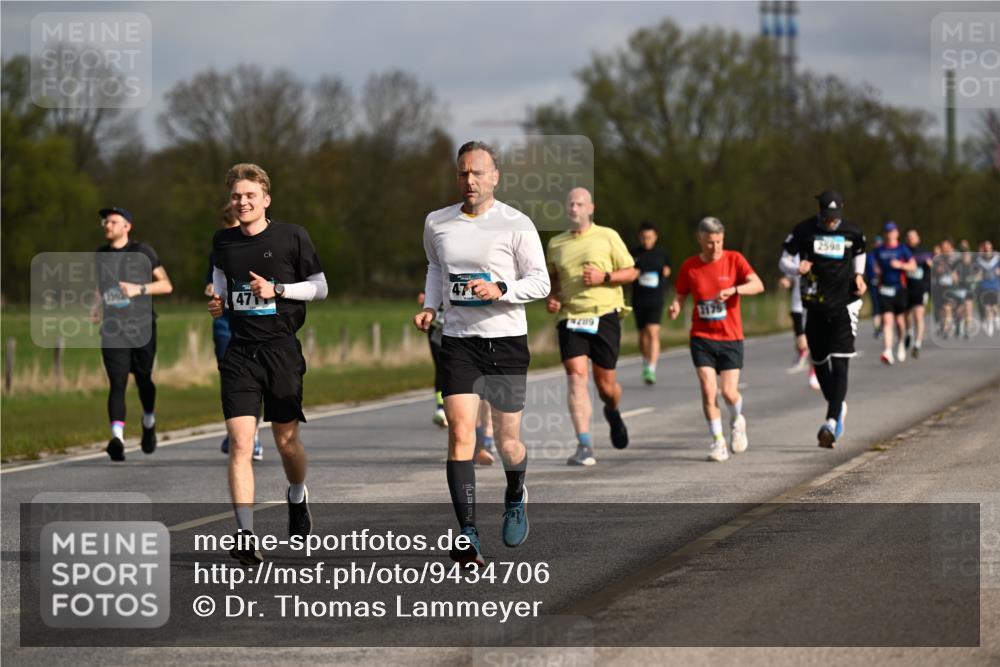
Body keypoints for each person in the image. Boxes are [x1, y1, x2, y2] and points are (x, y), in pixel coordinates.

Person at [414, 141, 549, 566]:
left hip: (506, 342)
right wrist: (431, 307)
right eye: (462, 173)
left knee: (509, 443)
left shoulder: (516, 223)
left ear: (495, 177)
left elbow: (541, 282)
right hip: (458, 343)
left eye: (477, 173)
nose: (469, 181)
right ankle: (468, 534)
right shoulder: (438, 222)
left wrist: (501, 289)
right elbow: (436, 268)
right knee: (460, 435)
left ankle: (514, 495)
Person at [208, 163, 328, 566]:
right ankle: (244, 533)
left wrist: (277, 289)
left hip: (281, 350)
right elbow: (220, 285)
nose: (242, 202)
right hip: (240, 353)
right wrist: (217, 302)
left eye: (250, 196)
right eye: (237, 197)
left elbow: (321, 288)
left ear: (266, 199)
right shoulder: (222, 242)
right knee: (241, 444)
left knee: (285, 442)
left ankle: (297, 494)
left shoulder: (292, 236)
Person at [546, 187, 638, 466]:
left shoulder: (607, 236)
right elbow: (553, 280)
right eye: (570, 204)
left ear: (590, 208)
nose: (574, 208)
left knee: (605, 386)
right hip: (571, 317)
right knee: (575, 375)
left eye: (579, 204)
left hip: (604, 314)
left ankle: (612, 410)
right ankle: (584, 444)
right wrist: (552, 298)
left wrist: (604, 276)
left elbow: (632, 271)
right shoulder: (556, 244)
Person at [669, 217, 763, 462]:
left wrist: (735, 290)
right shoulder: (690, 266)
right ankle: (718, 442)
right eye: (710, 243)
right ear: (700, 240)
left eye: (719, 242)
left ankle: (737, 420)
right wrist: (675, 307)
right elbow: (680, 294)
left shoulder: (734, 260)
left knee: (729, 393)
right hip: (702, 337)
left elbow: (758, 285)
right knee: (709, 390)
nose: (715, 248)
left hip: (731, 337)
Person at [782, 190, 866, 448]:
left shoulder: (853, 232)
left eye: (835, 217)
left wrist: (860, 276)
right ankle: (838, 405)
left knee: (840, 363)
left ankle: (831, 421)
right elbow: (783, 260)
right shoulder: (803, 230)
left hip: (844, 304)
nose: (831, 222)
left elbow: (861, 252)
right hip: (815, 304)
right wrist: (797, 268)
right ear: (819, 211)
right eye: (827, 217)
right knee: (819, 361)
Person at [92, 206, 173, 461]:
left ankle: (148, 422)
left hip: (142, 327)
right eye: (105, 222)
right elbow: (100, 286)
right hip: (113, 328)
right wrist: (95, 306)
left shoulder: (142, 252)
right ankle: (117, 438)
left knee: (143, 379)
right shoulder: (100, 255)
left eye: (114, 222)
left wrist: (138, 289)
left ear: (127, 226)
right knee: (117, 383)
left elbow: (166, 284)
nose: (108, 225)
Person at [206, 204, 262, 461]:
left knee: (255, 378)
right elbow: (212, 282)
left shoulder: (259, 248)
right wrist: (213, 293)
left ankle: (253, 435)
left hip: (252, 322)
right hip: (225, 324)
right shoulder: (218, 250)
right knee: (229, 377)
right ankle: (236, 430)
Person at [630, 221, 671, 385]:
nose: (647, 240)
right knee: (642, 336)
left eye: (650, 237)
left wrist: (665, 273)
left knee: (652, 332)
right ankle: (646, 361)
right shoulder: (633, 254)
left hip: (656, 298)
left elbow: (668, 270)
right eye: (644, 237)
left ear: (655, 237)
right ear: (640, 237)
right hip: (639, 299)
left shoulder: (661, 254)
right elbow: (627, 272)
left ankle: (652, 368)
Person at [872, 222, 916, 365]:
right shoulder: (880, 250)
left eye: (892, 231)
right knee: (887, 320)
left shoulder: (902, 249)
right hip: (885, 289)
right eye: (887, 232)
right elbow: (875, 264)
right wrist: (877, 272)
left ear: (897, 233)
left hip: (899, 289)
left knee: (899, 322)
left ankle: (902, 342)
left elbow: (913, 266)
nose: (890, 234)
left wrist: (900, 265)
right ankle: (887, 351)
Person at [778, 250, 820, 389]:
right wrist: (786, 282)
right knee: (802, 343)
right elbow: (790, 278)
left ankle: (813, 374)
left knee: (813, 342)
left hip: (816, 306)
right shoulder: (795, 256)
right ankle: (802, 351)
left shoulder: (823, 253)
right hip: (798, 306)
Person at [417, 291, 449, 429]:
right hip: (437, 328)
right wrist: (426, 298)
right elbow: (431, 285)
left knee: (455, 368)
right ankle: (441, 408)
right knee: (441, 367)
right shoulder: (436, 270)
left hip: (458, 327)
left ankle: (455, 407)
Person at [904, 229, 934, 357]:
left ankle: (917, 345)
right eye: (909, 237)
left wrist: (930, 264)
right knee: (906, 315)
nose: (911, 239)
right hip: (905, 288)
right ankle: (909, 332)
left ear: (918, 239)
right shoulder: (903, 251)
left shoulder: (925, 252)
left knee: (918, 316)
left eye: (913, 237)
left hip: (920, 287)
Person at [976, 240, 1000, 337]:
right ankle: (990, 324)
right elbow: (976, 271)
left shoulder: (997, 258)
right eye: (985, 248)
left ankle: (997, 317)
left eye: (988, 247)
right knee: (987, 306)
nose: (987, 249)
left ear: (991, 247)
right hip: (984, 286)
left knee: (993, 306)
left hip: (994, 285)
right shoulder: (979, 260)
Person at [865, 235, 883, 339]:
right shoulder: (869, 256)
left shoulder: (885, 254)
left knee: (885, 308)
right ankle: (877, 329)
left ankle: (883, 327)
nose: (878, 245)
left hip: (884, 284)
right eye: (876, 243)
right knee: (876, 307)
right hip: (873, 284)